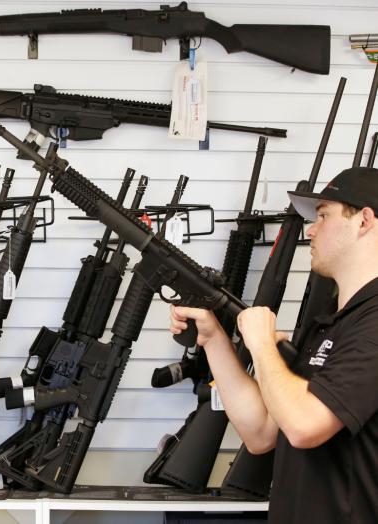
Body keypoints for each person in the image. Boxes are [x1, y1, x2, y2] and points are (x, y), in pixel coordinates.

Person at [170, 166, 378, 524]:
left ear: (364, 220)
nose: (311, 229)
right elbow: (262, 433)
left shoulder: (373, 321)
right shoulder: (331, 320)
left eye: (324, 216)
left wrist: (263, 345)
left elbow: (304, 426)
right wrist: (214, 338)